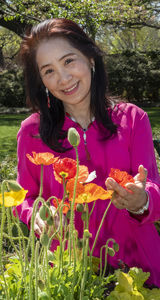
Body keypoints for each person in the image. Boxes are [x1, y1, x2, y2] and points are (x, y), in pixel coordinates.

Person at [16, 18, 160, 287]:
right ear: (42, 81)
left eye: (69, 61)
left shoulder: (133, 119)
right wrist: (33, 214)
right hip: (69, 274)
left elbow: (153, 188)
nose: (63, 78)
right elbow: (24, 197)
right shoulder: (32, 132)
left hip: (139, 267)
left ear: (91, 59)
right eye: (49, 71)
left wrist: (142, 200)